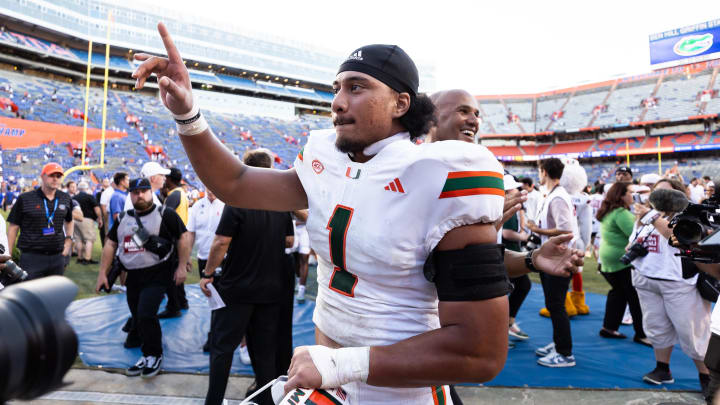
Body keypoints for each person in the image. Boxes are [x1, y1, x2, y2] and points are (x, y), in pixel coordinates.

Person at [133, 27, 583, 403]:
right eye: (336, 88)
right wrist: (188, 113)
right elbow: (234, 183)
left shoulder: (440, 174)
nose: (338, 102)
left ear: (401, 104)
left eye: (357, 87)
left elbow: (480, 351)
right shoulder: (327, 158)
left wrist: (340, 364)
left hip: (396, 392)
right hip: (326, 379)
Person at [200, 149, 295, 405]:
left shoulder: (238, 200)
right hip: (270, 290)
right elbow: (289, 240)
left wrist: (207, 274)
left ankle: (214, 401)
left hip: (237, 289)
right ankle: (265, 400)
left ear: (246, 168)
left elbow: (221, 242)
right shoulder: (281, 204)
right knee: (264, 353)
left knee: (222, 349)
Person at [95, 178, 191, 379]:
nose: (140, 195)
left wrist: (182, 265)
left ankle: (154, 355)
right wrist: (103, 273)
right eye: (135, 192)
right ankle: (147, 354)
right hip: (133, 276)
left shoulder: (165, 214)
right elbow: (110, 244)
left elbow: (183, 237)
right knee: (139, 317)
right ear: (130, 194)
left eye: (143, 191)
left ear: (150, 192)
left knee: (146, 314)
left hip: (158, 273)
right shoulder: (123, 218)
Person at [630, 178, 711, 391]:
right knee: (656, 327)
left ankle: (707, 376)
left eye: (666, 192)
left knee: (692, 332)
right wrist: (643, 221)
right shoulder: (646, 215)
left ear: (678, 194)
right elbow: (633, 241)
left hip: (678, 280)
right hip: (647, 276)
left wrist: (652, 217)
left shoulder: (689, 214)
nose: (659, 197)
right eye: (657, 192)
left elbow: (676, 236)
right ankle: (662, 368)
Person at [527, 157, 579, 367]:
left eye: (540, 171)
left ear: (544, 172)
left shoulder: (557, 197)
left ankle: (565, 353)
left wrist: (536, 229)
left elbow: (566, 229)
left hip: (558, 258)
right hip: (554, 256)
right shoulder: (554, 195)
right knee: (553, 304)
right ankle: (559, 343)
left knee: (556, 306)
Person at [595, 182, 648, 344]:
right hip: (621, 260)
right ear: (621, 195)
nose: (633, 195)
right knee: (634, 297)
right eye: (630, 192)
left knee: (618, 293)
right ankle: (641, 334)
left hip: (608, 258)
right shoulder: (621, 213)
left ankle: (609, 327)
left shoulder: (612, 211)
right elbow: (639, 234)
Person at [6, 162, 74, 280]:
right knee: (31, 294)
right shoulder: (25, 198)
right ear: (42, 176)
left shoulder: (65, 198)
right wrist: (8, 255)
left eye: (58, 176)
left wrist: (69, 240)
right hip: (32, 257)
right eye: (51, 175)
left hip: (57, 256)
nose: (55, 179)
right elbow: (13, 227)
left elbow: (69, 220)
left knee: (54, 294)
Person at [157, 167, 190, 318]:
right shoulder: (180, 193)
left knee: (170, 273)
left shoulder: (174, 194)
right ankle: (182, 301)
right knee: (176, 272)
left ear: (169, 179)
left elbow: (164, 215)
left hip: (173, 238)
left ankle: (173, 306)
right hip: (179, 236)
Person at [72, 181, 102, 264]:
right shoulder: (90, 197)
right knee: (89, 239)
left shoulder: (74, 197)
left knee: (78, 239)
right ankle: (87, 258)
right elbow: (97, 209)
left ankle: (80, 257)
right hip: (87, 219)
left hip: (75, 220)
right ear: (86, 188)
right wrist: (100, 218)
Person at [96, 178, 112, 246]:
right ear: (102, 183)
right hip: (102, 214)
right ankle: (104, 247)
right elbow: (98, 204)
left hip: (109, 214)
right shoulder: (99, 193)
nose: (106, 183)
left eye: (107, 181)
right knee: (103, 232)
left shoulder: (112, 192)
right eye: (104, 181)